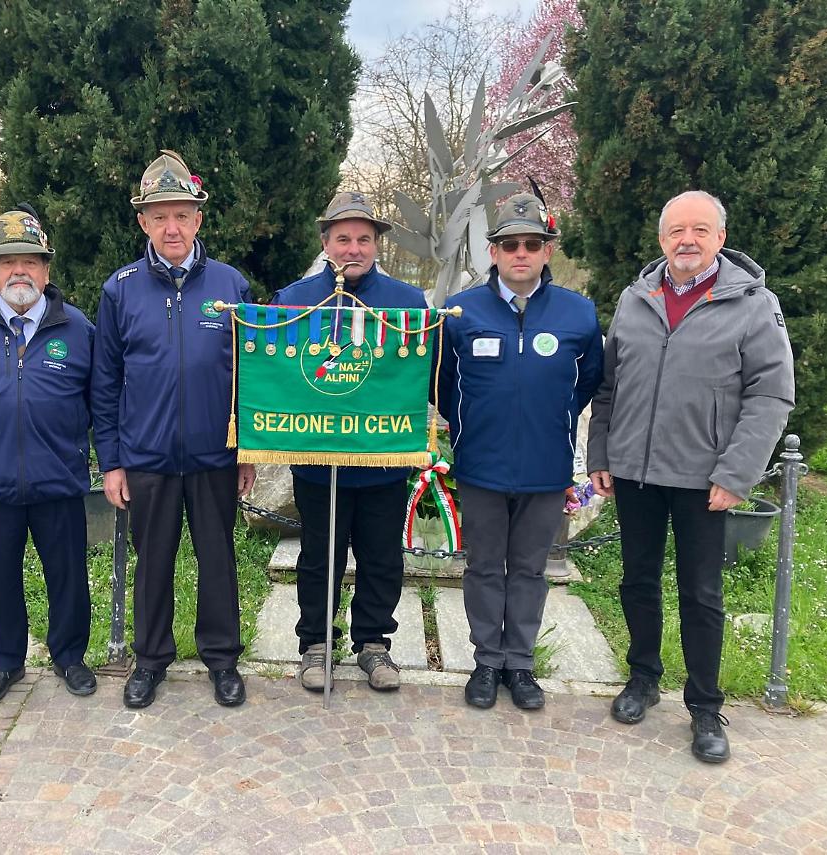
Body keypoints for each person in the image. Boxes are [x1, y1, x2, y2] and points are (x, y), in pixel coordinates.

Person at [587, 190, 794, 763]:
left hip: (707, 479)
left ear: (720, 239)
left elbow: (771, 393)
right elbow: (608, 388)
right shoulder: (636, 298)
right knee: (637, 581)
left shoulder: (753, 304)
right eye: (677, 230)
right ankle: (643, 678)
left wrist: (737, 473)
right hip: (636, 473)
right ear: (662, 239)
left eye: (700, 230)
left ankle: (704, 705)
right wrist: (601, 455)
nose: (688, 240)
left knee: (701, 594)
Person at [92, 150, 255, 709]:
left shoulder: (231, 285)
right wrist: (112, 461)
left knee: (218, 560)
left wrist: (248, 451)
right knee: (153, 561)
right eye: (159, 215)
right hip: (148, 456)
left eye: (181, 214)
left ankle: (222, 659)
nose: (171, 227)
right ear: (143, 222)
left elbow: (250, 376)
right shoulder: (121, 290)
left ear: (198, 219)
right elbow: (106, 381)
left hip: (215, 454)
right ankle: (150, 660)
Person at [437, 191, 603, 711]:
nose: (521, 253)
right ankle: (487, 662)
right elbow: (440, 384)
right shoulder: (461, 311)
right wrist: (468, 426)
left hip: (545, 468)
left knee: (531, 569)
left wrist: (550, 423)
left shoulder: (578, 314)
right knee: (484, 567)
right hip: (482, 465)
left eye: (533, 243)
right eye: (510, 245)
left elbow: (588, 383)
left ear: (548, 250)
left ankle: (521, 664)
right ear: (494, 251)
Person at [270, 191, 427, 693]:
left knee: (382, 555)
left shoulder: (407, 302)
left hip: (382, 457)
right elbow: (275, 371)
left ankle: (373, 644)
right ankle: (315, 643)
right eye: (343, 239)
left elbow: (420, 377)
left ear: (376, 244)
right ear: (326, 242)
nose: (353, 249)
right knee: (320, 556)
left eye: (363, 239)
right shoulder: (294, 300)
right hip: (318, 460)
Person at [0, 205, 98, 706]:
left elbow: (96, 403)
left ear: (47, 269)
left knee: (68, 574)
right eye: (7, 261)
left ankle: (70, 656)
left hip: (58, 479)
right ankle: (6, 661)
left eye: (30, 261)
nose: (19, 272)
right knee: (0, 577)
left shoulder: (78, 329)